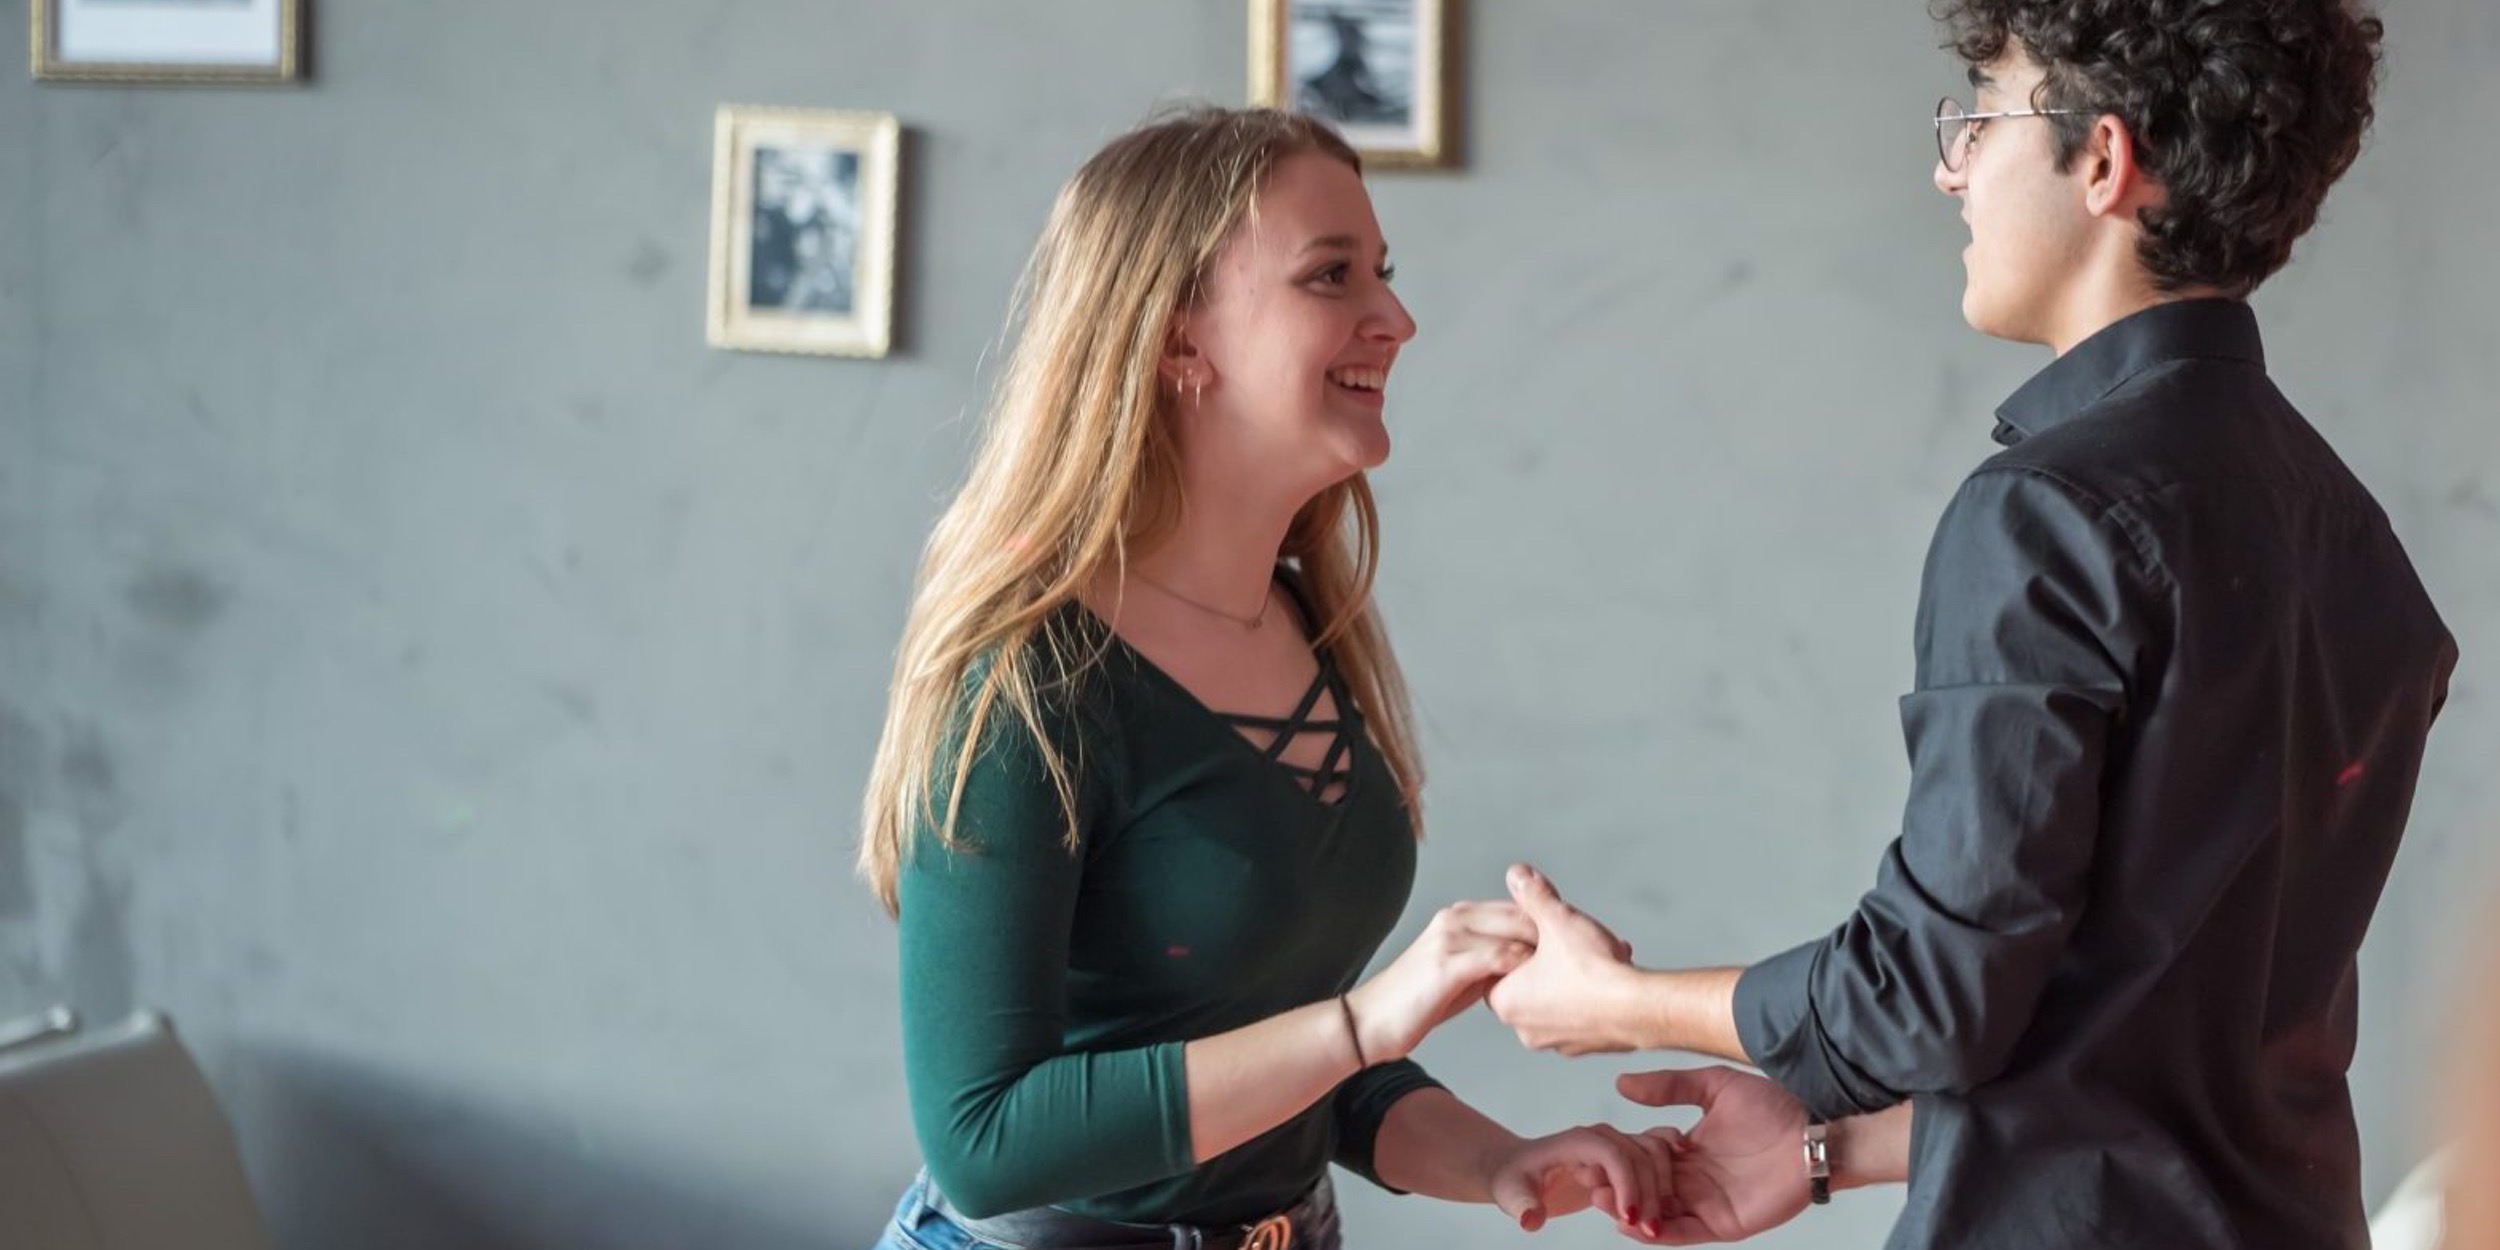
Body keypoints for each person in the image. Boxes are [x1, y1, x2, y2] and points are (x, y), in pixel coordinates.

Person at [1480, 2, 2457, 1246]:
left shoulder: (2050, 511)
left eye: (1980, 121)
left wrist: (1621, 1001)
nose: (1949, 167)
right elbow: (2152, 1032)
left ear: (2101, 162)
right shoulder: (2350, 528)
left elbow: (1929, 994)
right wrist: (1826, 1146)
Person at [856, 107, 1668, 1250]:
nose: (1396, 318)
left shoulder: (1309, 619)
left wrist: (1502, 1160)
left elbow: (1275, 1052)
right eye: (1330, 275)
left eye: (1381, 273)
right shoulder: (1021, 683)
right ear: (1177, 339)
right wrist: (1364, 1019)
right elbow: (984, 1141)